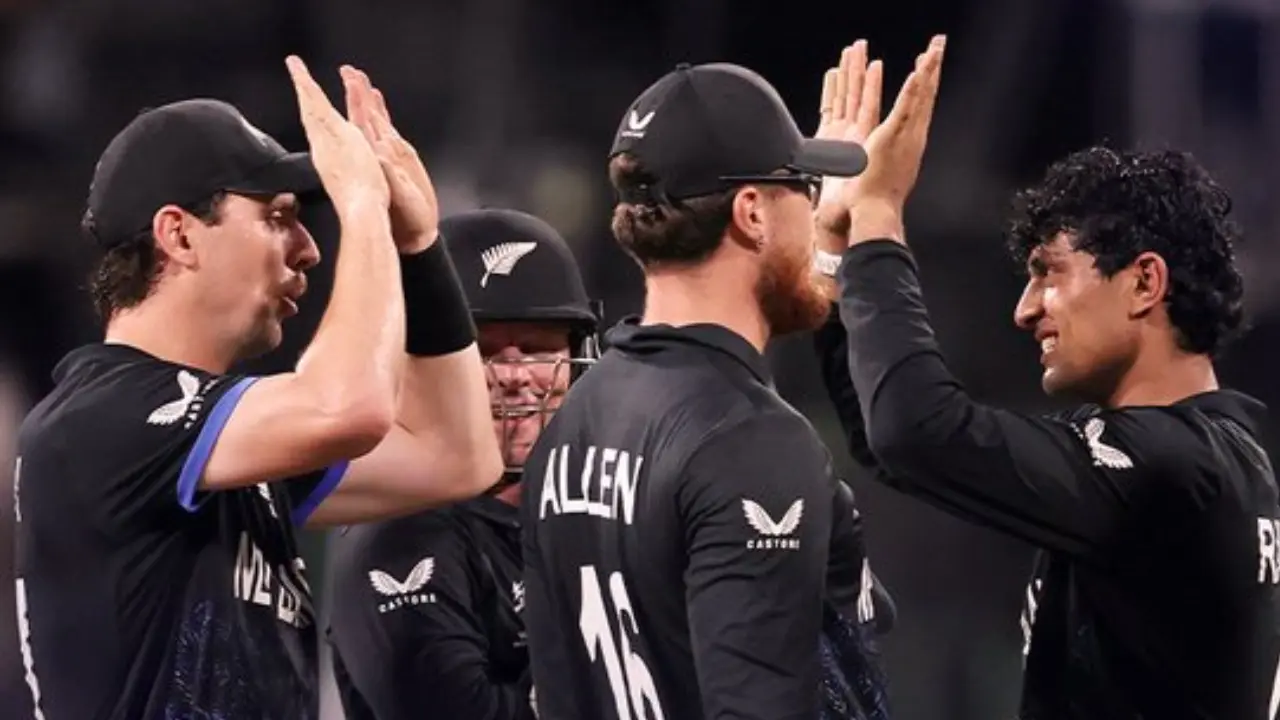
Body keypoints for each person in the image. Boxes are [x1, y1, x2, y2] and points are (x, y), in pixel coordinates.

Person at [11, 60, 501, 720]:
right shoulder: (98, 418)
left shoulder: (222, 444)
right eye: (276, 218)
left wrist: (417, 245)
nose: (307, 250)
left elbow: (456, 455)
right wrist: (360, 210)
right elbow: (348, 406)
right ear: (179, 234)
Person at [825, 34, 1280, 718]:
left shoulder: (1176, 469)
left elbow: (918, 434)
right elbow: (893, 440)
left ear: (1144, 283)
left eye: (1049, 273)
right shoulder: (1197, 457)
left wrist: (880, 215)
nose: (1024, 310)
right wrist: (836, 251)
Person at [519, 59, 874, 720]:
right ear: (751, 212)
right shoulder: (749, 436)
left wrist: (828, 247)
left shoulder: (575, 419)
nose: (818, 209)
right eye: (803, 186)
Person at [326, 208, 600, 720]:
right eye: (484, 350)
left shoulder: (595, 515)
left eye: (540, 349)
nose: (516, 375)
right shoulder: (397, 533)